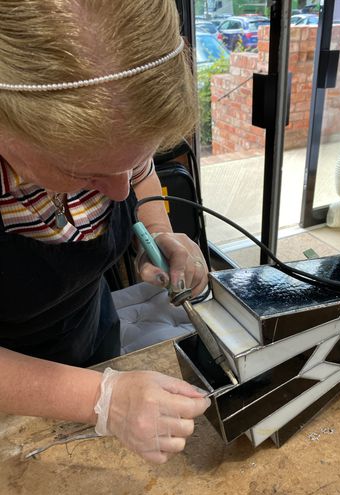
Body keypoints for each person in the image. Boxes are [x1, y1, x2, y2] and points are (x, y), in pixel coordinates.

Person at [0, 0, 212, 464]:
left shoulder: (118, 160)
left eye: (132, 159)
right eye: (84, 171)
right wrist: (102, 400)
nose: (119, 193)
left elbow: (138, 179)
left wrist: (158, 231)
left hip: (92, 334)